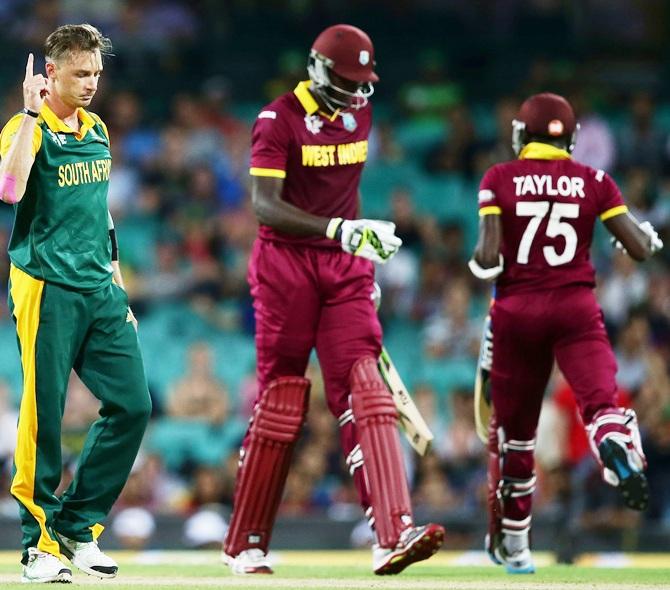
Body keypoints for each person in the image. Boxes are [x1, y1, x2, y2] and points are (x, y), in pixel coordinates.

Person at [222, 24, 444, 576]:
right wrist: (339, 231)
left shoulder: (361, 112)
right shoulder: (277, 120)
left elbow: (343, 191)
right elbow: (264, 206)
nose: (355, 94)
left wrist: (359, 249)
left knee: (365, 386)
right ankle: (246, 543)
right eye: (345, 82)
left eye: (361, 83)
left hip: (343, 267)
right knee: (282, 400)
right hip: (285, 266)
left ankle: (392, 534)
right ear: (317, 70)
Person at [469, 92, 663, 574]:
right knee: (601, 403)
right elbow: (638, 248)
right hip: (575, 306)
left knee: (518, 438)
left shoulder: (499, 178)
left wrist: (481, 266)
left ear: (522, 135)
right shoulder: (594, 180)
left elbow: (489, 255)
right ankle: (617, 445)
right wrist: (649, 239)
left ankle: (516, 548)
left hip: (518, 310)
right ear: (572, 139)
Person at [0, 24, 152, 583]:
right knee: (44, 414)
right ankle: (38, 545)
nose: (90, 84)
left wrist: (117, 280)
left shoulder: (97, 129)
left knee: (133, 405)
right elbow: (9, 190)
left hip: (99, 289)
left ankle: (77, 525)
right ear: (52, 72)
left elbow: (100, 210)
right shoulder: (25, 127)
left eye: (96, 74)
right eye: (80, 74)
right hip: (45, 285)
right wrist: (32, 117)